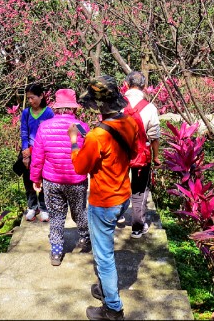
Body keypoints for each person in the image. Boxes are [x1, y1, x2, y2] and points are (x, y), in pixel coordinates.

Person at [68, 75, 138, 321]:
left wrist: (75, 142)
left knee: (104, 256)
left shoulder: (98, 135)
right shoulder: (130, 123)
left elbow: (80, 167)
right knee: (105, 251)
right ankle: (105, 290)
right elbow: (136, 152)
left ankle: (113, 309)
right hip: (123, 196)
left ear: (98, 105)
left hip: (103, 201)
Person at [30, 89, 91, 266]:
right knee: (80, 211)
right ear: (73, 108)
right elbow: (90, 151)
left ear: (56, 108)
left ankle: (56, 253)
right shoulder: (81, 126)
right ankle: (85, 239)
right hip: (77, 180)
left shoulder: (45, 126)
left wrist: (36, 179)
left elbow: (38, 157)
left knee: (56, 216)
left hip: (52, 180)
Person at [123, 71, 161, 239]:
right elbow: (154, 137)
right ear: (144, 87)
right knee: (139, 190)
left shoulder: (118, 104)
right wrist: (156, 156)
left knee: (118, 184)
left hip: (119, 155)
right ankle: (137, 227)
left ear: (126, 84)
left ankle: (116, 215)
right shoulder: (150, 107)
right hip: (141, 155)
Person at [20, 83, 54, 222]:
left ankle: (44, 207)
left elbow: (50, 134)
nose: (30, 101)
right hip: (29, 151)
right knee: (28, 180)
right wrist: (25, 151)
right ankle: (32, 207)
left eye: (32, 97)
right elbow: (24, 132)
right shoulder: (26, 113)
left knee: (44, 179)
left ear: (41, 96)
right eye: (28, 98)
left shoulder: (48, 113)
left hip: (44, 153)